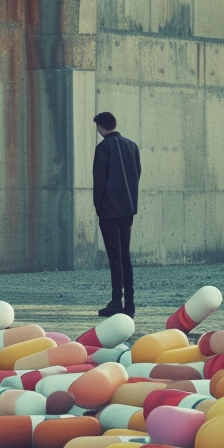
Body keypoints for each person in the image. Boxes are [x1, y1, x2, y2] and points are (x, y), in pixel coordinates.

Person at [92, 111, 141, 318]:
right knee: (125, 257)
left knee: (115, 258)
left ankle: (115, 302)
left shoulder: (103, 148)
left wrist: (99, 207)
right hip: (127, 209)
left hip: (109, 212)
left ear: (101, 127)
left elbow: (99, 181)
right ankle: (129, 304)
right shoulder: (132, 146)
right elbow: (137, 173)